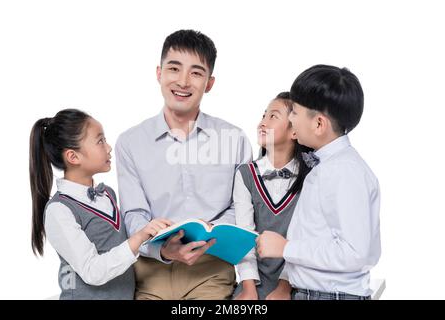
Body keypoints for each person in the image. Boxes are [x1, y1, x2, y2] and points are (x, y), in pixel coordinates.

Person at [115, 29, 253, 300]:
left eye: (196, 73)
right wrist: (163, 250)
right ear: (159, 73)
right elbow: (133, 213)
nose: (183, 81)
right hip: (150, 271)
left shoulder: (234, 139)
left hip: (211, 267)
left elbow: (242, 208)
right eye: (174, 69)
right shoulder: (130, 142)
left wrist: (209, 229)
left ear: (209, 83)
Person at [256, 65, 381, 300]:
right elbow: (312, 236)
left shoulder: (345, 172)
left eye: (294, 112)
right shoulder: (324, 167)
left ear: (319, 124)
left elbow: (355, 252)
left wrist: (285, 248)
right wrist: (285, 282)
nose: (290, 119)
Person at [29, 108, 171, 299]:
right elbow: (92, 271)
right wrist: (139, 237)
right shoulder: (59, 210)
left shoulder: (107, 194)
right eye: (100, 141)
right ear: (73, 157)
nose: (109, 147)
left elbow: (121, 247)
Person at [233, 92, 312, 300]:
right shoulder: (245, 175)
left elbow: (304, 238)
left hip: (297, 280)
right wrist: (249, 288)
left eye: (273, 117)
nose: (262, 123)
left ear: (295, 130)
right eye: (263, 116)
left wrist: (284, 287)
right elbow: (244, 236)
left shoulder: (311, 178)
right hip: (254, 279)